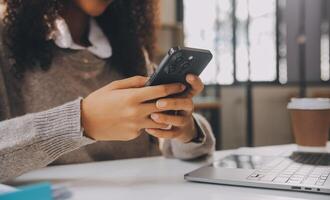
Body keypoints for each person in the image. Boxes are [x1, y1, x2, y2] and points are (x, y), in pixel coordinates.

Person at [0, 0, 215, 182]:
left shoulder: (128, 46)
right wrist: (82, 122)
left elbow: (175, 147)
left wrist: (186, 130)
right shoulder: (5, 44)